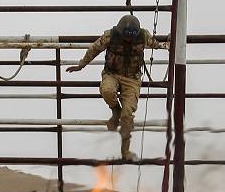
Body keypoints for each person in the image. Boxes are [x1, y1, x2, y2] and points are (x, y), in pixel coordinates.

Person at [66, 13, 169, 162]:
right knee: (107, 90)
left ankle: (125, 151)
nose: (128, 39)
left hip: (132, 78)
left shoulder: (143, 36)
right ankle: (115, 110)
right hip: (111, 74)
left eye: (131, 36)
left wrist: (168, 43)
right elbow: (94, 48)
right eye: (126, 36)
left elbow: (158, 45)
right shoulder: (110, 36)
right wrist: (81, 65)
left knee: (127, 115)